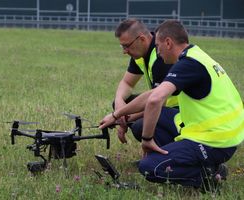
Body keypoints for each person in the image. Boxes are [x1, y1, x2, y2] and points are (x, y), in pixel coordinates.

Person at [100, 19, 244, 191]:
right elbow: (151, 95)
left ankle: (209, 175)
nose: (158, 51)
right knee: (149, 121)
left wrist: (146, 140)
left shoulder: (189, 64)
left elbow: (155, 100)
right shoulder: (194, 55)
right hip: (215, 131)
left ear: (168, 43)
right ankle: (188, 159)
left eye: (158, 46)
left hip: (216, 141)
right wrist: (117, 114)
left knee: (149, 168)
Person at [112, 19, 177, 144]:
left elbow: (158, 102)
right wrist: (120, 104)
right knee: (120, 102)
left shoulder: (162, 56)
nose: (124, 51)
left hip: (178, 111)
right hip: (161, 105)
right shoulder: (140, 53)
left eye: (126, 46)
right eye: (122, 46)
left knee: (140, 127)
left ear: (141, 39)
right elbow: (127, 83)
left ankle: (167, 153)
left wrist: (124, 116)